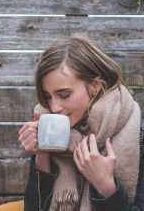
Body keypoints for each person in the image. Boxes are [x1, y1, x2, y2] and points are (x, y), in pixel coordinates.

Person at [18, 36, 144, 211]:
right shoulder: (51, 131)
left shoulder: (138, 133)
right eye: (48, 97)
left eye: (64, 94)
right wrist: (42, 156)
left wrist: (105, 185)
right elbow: (34, 208)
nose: (54, 107)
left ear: (95, 86)